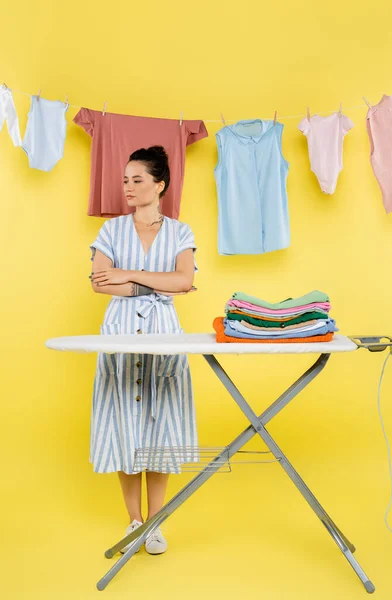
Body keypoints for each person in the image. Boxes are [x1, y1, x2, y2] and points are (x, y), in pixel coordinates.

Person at [89, 146, 199, 555]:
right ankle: (134, 520)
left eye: (137, 180)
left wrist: (130, 273)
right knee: (123, 423)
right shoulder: (110, 232)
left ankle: (156, 522)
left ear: (160, 185)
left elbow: (184, 281)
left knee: (160, 426)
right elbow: (101, 283)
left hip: (163, 332)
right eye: (125, 180)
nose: (128, 187)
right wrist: (154, 281)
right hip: (119, 332)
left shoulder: (180, 232)